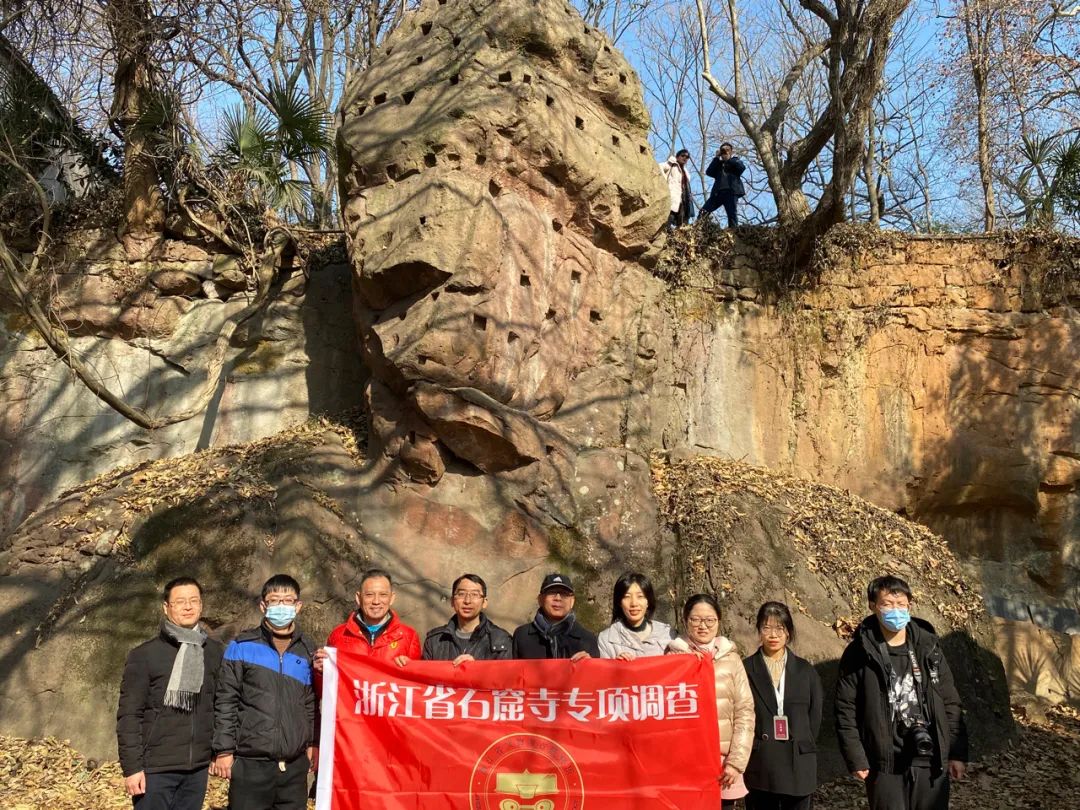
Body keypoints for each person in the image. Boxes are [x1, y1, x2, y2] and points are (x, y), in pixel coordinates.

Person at [835, 575, 968, 810]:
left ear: (910, 606)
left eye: (901, 604)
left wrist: (956, 752)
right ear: (873, 606)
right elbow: (845, 709)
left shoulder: (928, 647)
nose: (895, 611)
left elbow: (950, 702)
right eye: (887, 604)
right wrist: (856, 757)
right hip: (885, 761)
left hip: (931, 756)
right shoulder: (860, 652)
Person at [210, 574, 317, 810]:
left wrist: (312, 743)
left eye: (288, 600)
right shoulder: (241, 646)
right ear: (263, 606)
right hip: (250, 763)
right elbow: (226, 700)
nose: (282, 606)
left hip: (294, 766)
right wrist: (224, 750)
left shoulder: (307, 651)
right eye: (275, 600)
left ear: (298, 606)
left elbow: (310, 704)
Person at [117, 577, 224, 810]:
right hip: (155, 768)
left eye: (194, 601)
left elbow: (219, 706)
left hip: (197, 768)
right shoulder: (145, 655)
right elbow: (129, 715)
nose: (188, 607)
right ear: (166, 607)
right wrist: (132, 768)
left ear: (201, 605)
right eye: (180, 601)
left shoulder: (214, 652)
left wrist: (218, 750)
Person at [667, 593, 754, 808]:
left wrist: (736, 762)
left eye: (710, 620)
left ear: (719, 621)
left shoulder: (731, 659)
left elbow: (745, 711)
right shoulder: (672, 657)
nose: (703, 626)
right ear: (685, 620)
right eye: (695, 619)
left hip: (722, 766)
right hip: (685, 766)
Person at [742, 602, 823, 810]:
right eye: (766, 628)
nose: (773, 634)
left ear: (788, 632)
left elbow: (814, 717)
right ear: (759, 631)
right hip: (761, 763)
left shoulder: (806, 670)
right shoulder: (745, 669)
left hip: (798, 762)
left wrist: (803, 742)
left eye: (780, 628)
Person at [317, 568, 421, 669]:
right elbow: (327, 684)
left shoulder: (408, 637)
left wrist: (411, 668)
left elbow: (419, 682)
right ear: (358, 598)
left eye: (383, 595)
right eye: (369, 595)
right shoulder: (338, 635)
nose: (376, 601)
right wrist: (320, 672)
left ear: (392, 598)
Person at [422, 573, 513, 663]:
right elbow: (424, 675)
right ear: (452, 601)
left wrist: (474, 670)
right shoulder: (434, 640)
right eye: (461, 594)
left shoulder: (500, 640)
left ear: (484, 602)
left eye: (474, 594)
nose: (467, 601)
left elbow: (505, 676)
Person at [512, 573, 600, 660]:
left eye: (564, 594)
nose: (558, 598)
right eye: (552, 592)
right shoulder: (522, 636)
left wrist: (590, 666)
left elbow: (596, 673)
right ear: (540, 599)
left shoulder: (587, 638)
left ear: (572, 601)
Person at [597, 572, 673, 660]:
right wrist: (615, 666)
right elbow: (604, 672)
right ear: (619, 602)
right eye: (627, 597)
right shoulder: (607, 639)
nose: (634, 603)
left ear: (648, 601)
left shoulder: (667, 634)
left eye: (640, 596)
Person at [702, 142, 746, 227]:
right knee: (704, 211)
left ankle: (733, 233)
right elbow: (709, 172)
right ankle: (698, 228)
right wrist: (716, 157)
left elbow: (741, 167)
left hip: (731, 193)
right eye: (723, 150)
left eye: (728, 150)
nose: (725, 152)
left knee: (731, 214)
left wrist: (729, 158)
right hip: (717, 193)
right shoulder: (718, 164)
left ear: (731, 152)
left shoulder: (735, 161)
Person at [660, 149, 694, 229]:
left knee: (682, 223)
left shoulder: (686, 173)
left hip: (683, 200)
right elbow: (658, 167)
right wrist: (665, 182)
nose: (685, 158)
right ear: (677, 156)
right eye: (683, 155)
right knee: (668, 218)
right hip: (671, 197)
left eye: (687, 157)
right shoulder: (671, 164)